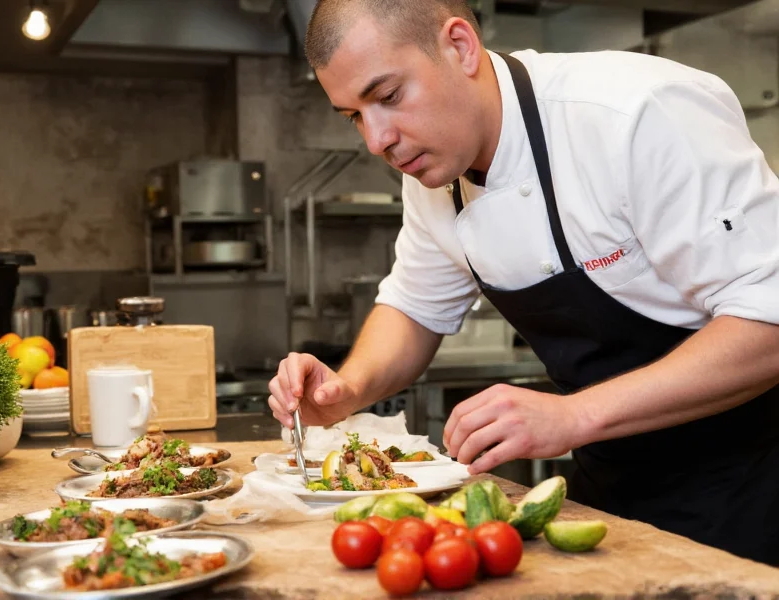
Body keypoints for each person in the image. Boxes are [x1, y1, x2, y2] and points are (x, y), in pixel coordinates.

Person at [268, 0, 779, 564]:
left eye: (387, 97)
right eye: (354, 116)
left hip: (755, 482)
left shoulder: (635, 113)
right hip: (612, 491)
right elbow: (414, 307)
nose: (376, 140)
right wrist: (347, 391)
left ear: (459, 46)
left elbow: (769, 320)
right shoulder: (434, 173)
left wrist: (573, 416)